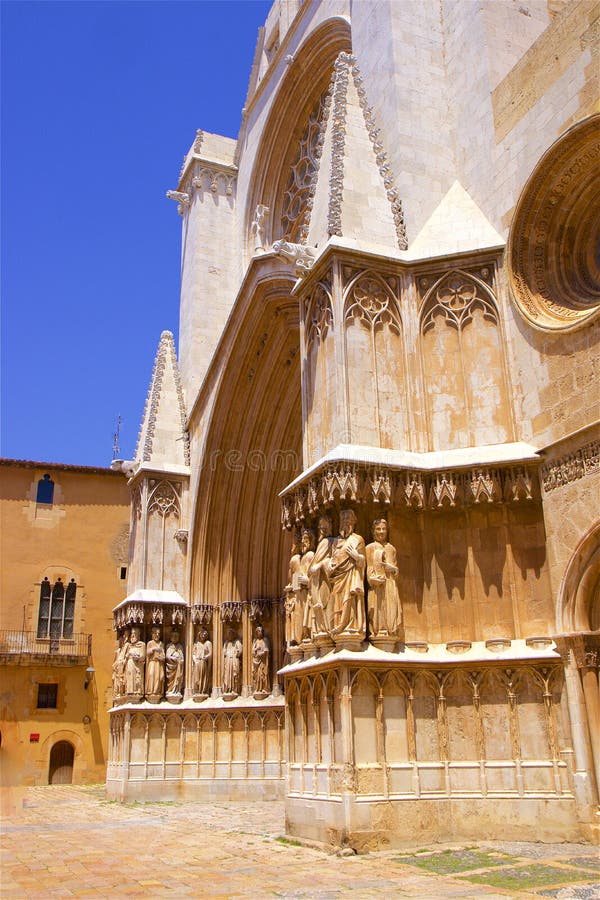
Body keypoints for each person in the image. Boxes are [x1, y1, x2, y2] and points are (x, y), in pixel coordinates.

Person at [328, 509, 366, 637]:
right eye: (343, 519)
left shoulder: (358, 539)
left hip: (351, 576)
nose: (345, 522)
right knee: (337, 602)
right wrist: (329, 565)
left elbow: (363, 563)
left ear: (354, 522)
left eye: (348, 519)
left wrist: (357, 557)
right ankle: (338, 626)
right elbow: (332, 558)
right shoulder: (336, 541)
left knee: (349, 601)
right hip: (337, 578)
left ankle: (351, 627)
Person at [366, 518, 401, 637]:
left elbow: (396, 570)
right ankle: (378, 632)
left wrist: (393, 569)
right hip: (377, 587)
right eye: (378, 529)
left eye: (384, 529)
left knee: (392, 611)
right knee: (378, 610)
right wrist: (372, 579)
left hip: (390, 584)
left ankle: (391, 632)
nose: (381, 532)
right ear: (373, 531)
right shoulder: (370, 548)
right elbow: (368, 569)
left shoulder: (391, 548)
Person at [308, 516, 333, 637]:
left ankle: (326, 629)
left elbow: (333, 561)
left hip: (325, 580)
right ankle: (321, 630)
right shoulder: (322, 543)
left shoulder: (331, 542)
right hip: (317, 581)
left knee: (325, 603)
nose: (321, 529)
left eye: (324, 526)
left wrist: (320, 565)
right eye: (320, 526)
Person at [145, 627, 165, 701]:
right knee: (151, 675)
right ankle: (150, 692)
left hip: (159, 664)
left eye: (158, 634)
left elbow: (163, 656)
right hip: (152, 663)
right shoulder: (150, 643)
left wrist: (160, 658)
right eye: (155, 633)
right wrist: (153, 649)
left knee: (159, 678)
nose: (157, 635)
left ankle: (157, 692)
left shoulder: (161, 643)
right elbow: (147, 653)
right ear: (152, 634)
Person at [124, 626, 145, 696]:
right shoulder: (129, 646)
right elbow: (125, 656)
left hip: (137, 665)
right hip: (129, 664)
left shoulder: (142, 644)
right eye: (132, 634)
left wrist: (136, 656)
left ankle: (136, 691)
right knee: (129, 677)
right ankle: (129, 691)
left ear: (138, 635)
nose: (132, 636)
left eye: (135, 633)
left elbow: (143, 656)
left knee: (136, 679)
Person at [192, 627, 212, 697]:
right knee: (196, 678)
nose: (203, 636)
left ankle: (203, 690)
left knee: (203, 676)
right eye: (201, 635)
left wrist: (206, 657)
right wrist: (194, 659)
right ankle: (196, 690)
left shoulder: (208, 643)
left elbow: (210, 653)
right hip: (197, 662)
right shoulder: (196, 643)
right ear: (199, 635)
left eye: (204, 635)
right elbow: (193, 653)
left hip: (203, 662)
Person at [222, 628, 243, 696]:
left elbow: (240, 650)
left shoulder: (237, 642)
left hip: (234, 661)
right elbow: (224, 652)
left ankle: (234, 689)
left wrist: (236, 654)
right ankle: (227, 689)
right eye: (228, 634)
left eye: (231, 634)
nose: (229, 635)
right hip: (227, 662)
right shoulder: (226, 643)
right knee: (227, 676)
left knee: (235, 675)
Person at [165, 629, 184, 699]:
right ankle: (170, 690)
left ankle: (177, 690)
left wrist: (180, 660)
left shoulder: (180, 646)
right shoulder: (168, 646)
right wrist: (173, 658)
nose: (175, 638)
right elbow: (167, 656)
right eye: (173, 636)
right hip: (170, 667)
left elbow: (182, 658)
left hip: (178, 667)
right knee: (170, 681)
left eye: (176, 636)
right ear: (170, 637)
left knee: (178, 678)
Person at [251, 625, 270, 695]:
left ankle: (264, 688)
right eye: (258, 631)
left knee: (262, 674)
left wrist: (261, 654)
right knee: (257, 675)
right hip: (256, 661)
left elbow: (267, 650)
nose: (260, 632)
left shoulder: (265, 640)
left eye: (261, 631)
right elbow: (252, 652)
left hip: (263, 661)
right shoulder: (255, 641)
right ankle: (257, 688)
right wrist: (256, 649)